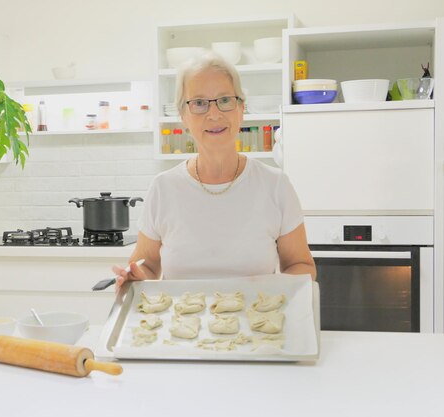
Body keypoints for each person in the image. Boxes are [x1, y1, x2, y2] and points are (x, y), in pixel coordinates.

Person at [114, 51, 316, 289]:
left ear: (241, 109)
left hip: (253, 324)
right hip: (181, 324)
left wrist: (269, 292)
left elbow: (301, 265)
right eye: (199, 103)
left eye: (225, 100)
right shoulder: (164, 188)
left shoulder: (275, 185)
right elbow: (147, 266)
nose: (214, 114)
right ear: (183, 116)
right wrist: (134, 277)